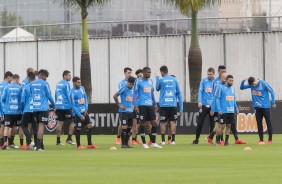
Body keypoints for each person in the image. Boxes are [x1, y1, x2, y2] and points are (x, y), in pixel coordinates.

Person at [240, 77, 276, 144]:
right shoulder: (251, 85)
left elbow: (272, 91)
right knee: (259, 123)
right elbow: (241, 88)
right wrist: (243, 81)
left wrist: (273, 102)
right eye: (252, 84)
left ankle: (270, 140)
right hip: (257, 107)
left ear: (255, 80)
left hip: (265, 107)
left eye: (254, 83)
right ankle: (261, 140)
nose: (253, 85)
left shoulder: (263, 83)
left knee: (268, 122)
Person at [134, 67, 161, 148]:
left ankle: (153, 143)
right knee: (143, 123)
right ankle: (144, 143)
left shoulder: (150, 81)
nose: (149, 73)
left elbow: (151, 93)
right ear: (144, 72)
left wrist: (155, 103)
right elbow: (135, 93)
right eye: (148, 72)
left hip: (150, 105)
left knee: (154, 123)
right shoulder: (138, 81)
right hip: (142, 105)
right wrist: (135, 105)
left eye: (150, 72)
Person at [156, 66, 183, 145]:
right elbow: (179, 93)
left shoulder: (161, 79)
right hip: (172, 104)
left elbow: (157, 88)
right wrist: (181, 109)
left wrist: (157, 79)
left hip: (164, 105)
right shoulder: (174, 79)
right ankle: (173, 141)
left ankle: (163, 141)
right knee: (172, 122)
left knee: (163, 123)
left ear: (162, 72)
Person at [71, 77, 99, 150]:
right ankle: (78, 145)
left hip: (84, 111)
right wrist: (80, 115)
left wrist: (86, 108)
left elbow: (85, 98)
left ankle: (89, 144)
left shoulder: (82, 88)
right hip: (77, 114)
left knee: (89, 125)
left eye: (80, 82)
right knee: (78, 128)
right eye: (78, 82)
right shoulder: (72, 92)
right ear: (74, 83)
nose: (80, 84)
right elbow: (73, 106)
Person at [30, 69, 55, 151]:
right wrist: (55, 105)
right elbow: (49, 96)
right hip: (43, 108)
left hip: (34, 108)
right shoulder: (45, 84)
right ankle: (39, 147)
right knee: (41, 126)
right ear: (41, 75)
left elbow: (30, 95)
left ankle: (39, 145)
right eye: (45, 76)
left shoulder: (32, 84)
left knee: (37, 126)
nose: (46, 78)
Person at [192, 67, 215, 144]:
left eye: (210, 74)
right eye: (208, 74)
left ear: (214, 74)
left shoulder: (216, 82)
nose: (209, 75)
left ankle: (210, 139)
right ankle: (196, 139)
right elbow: (200, 91)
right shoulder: (203, 81)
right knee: (200, 122)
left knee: (212, 123)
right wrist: (199, 101)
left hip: (212, 106)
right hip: (204, 105)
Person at [216, 75, 239, 146]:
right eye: (230, 80)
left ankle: (226, 142)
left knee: (229, 126)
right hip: (223, 111)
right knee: (221, 126)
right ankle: (217, 141)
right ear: (226, 80)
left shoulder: (232, 88)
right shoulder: (221, 88)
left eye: (232, 81)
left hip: (231, 111)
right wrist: (219, 109)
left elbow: (234, 99)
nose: (231, 82)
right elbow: (217, 99)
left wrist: (236, 108)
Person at [113, 76, 136, 148]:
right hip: (124, 111)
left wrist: (132, 105)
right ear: (128, 83)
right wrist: (119, 105)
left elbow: (132, 99)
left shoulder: (132, 90)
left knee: (129, 128)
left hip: (130, 111)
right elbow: (115, 96)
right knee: (124, 127)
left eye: (133, 84)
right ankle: (123, 144)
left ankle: (127, 143)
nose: (131, 86)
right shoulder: (124, 88)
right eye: (130, 84)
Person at [2, 74, 23, 149]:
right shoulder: (20, 88)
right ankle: (19, 144)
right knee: (17, 127)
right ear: (17, 80)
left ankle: (5, 144)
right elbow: (22, 99)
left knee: (7, 127)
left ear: (12, 79)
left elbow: (3, 99)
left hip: (8, 111)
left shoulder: (6, 87)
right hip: (18, 112)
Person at [55, 70, 75, 146]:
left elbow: (56, 94)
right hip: (66, 106)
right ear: (65, 76)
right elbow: (69, 95)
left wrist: (55, 105)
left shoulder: (58, 84)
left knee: (60, 122)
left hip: (58, 105)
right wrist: (72, 106)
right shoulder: (66, 84)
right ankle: (69, 139)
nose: (70, 77)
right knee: (74, 120)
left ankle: (58, 141)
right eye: (69, 75)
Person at [116, 67, 132, 145]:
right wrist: (119, 105)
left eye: (130, 73)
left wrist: (134, 105)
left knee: (130, 126)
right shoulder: (122, 84)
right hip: (124, 109)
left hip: (131, 109)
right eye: (128, 73)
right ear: (124, 73)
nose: (129, 74)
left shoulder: (133, 84)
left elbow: (134, 96)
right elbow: (119, 94)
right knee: (123, 125)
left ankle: (127, 141)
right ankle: (119, 139)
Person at [21, 72, 37, 150]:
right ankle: (37, 144)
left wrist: (22, 109)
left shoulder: (26, 87)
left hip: (27, 109)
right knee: (34, 127)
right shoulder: (37, 87)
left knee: (24, 126)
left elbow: (22, 101)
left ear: (29, 78)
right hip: (36, 110)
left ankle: (30, 141)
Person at [0, 71, 13, 147]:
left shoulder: (0, 85)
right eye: (11, 78)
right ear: (8, 77)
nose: (11, 79)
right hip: (5, 109)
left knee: (2, 126)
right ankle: (5, 144)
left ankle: (1, 143)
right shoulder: (8, 86)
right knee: (5, 127)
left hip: (1, 109)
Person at [131, 69, 143, 145]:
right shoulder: (135, 83)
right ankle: (133, 139)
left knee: (138, 123)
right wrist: (134, 104)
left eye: (140, 75)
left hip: (142, 105)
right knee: (135, 123)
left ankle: (134, 139)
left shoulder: (144, 82)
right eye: (138, 76)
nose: (139, 77)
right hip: (136, 106)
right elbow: (133, 94)